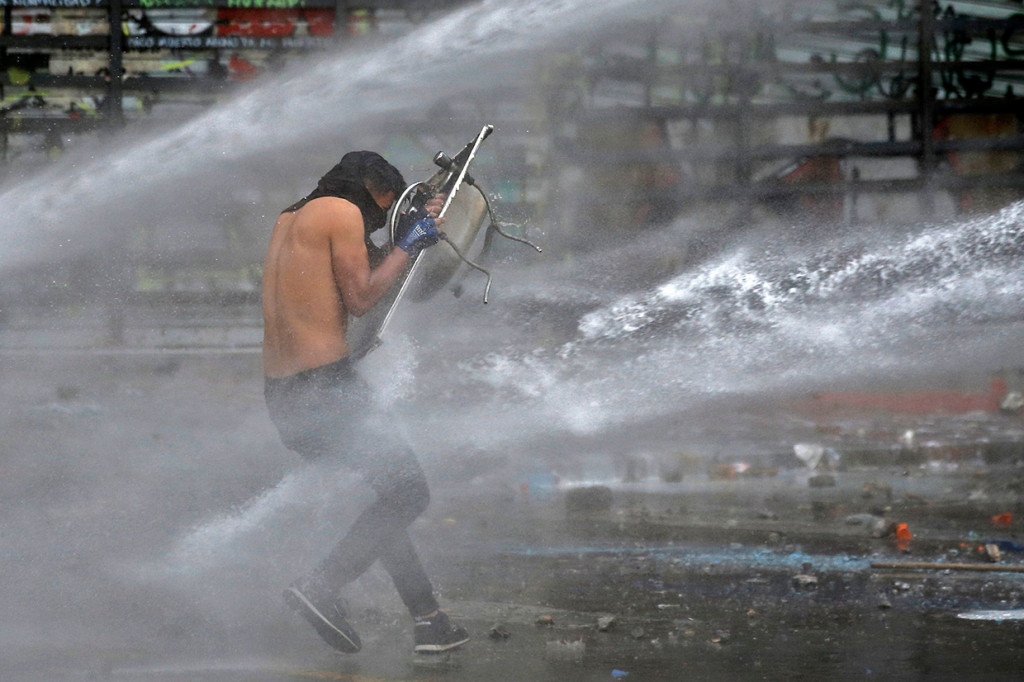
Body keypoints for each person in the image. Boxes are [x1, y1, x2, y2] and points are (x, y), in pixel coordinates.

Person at [262, 150, 469, 655]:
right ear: (374, 190)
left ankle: (430, 621)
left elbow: (347, 278)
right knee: (407, 494)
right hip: (325, 388)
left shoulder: (292, 218)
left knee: (388, 496)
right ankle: (321, 586)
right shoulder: (342, 211)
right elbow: (360, 298)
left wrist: (406, 235)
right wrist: (412, 240)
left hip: (286, 396)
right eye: (385, 208)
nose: (379, 220)